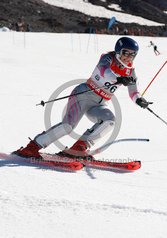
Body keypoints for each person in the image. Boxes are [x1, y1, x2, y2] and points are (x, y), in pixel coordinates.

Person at [13, 37, 151, 159]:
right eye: (126, 53)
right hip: (83, 95)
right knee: (68, 126)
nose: (129, 57)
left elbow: (133, 91)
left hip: (100, 104)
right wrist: (119, 78)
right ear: (118, 50)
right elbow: (104, 71)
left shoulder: (131, 72)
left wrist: (139, 99)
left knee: (110, 121)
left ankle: (78, 148)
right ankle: (32, 147)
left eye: (133, 55)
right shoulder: (107, 58)